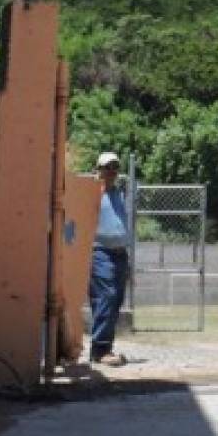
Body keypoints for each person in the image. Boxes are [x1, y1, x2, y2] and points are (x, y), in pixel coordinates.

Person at [90, 151, 130, 366]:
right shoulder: (92, 194)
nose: (111, 171)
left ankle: (105, 348)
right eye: (107, 167)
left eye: (115, 167)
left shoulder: (119, 194)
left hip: (120, 253)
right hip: (100, 252)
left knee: (114, 301)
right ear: (98, 170)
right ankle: (100, 349)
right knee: (106, 297)